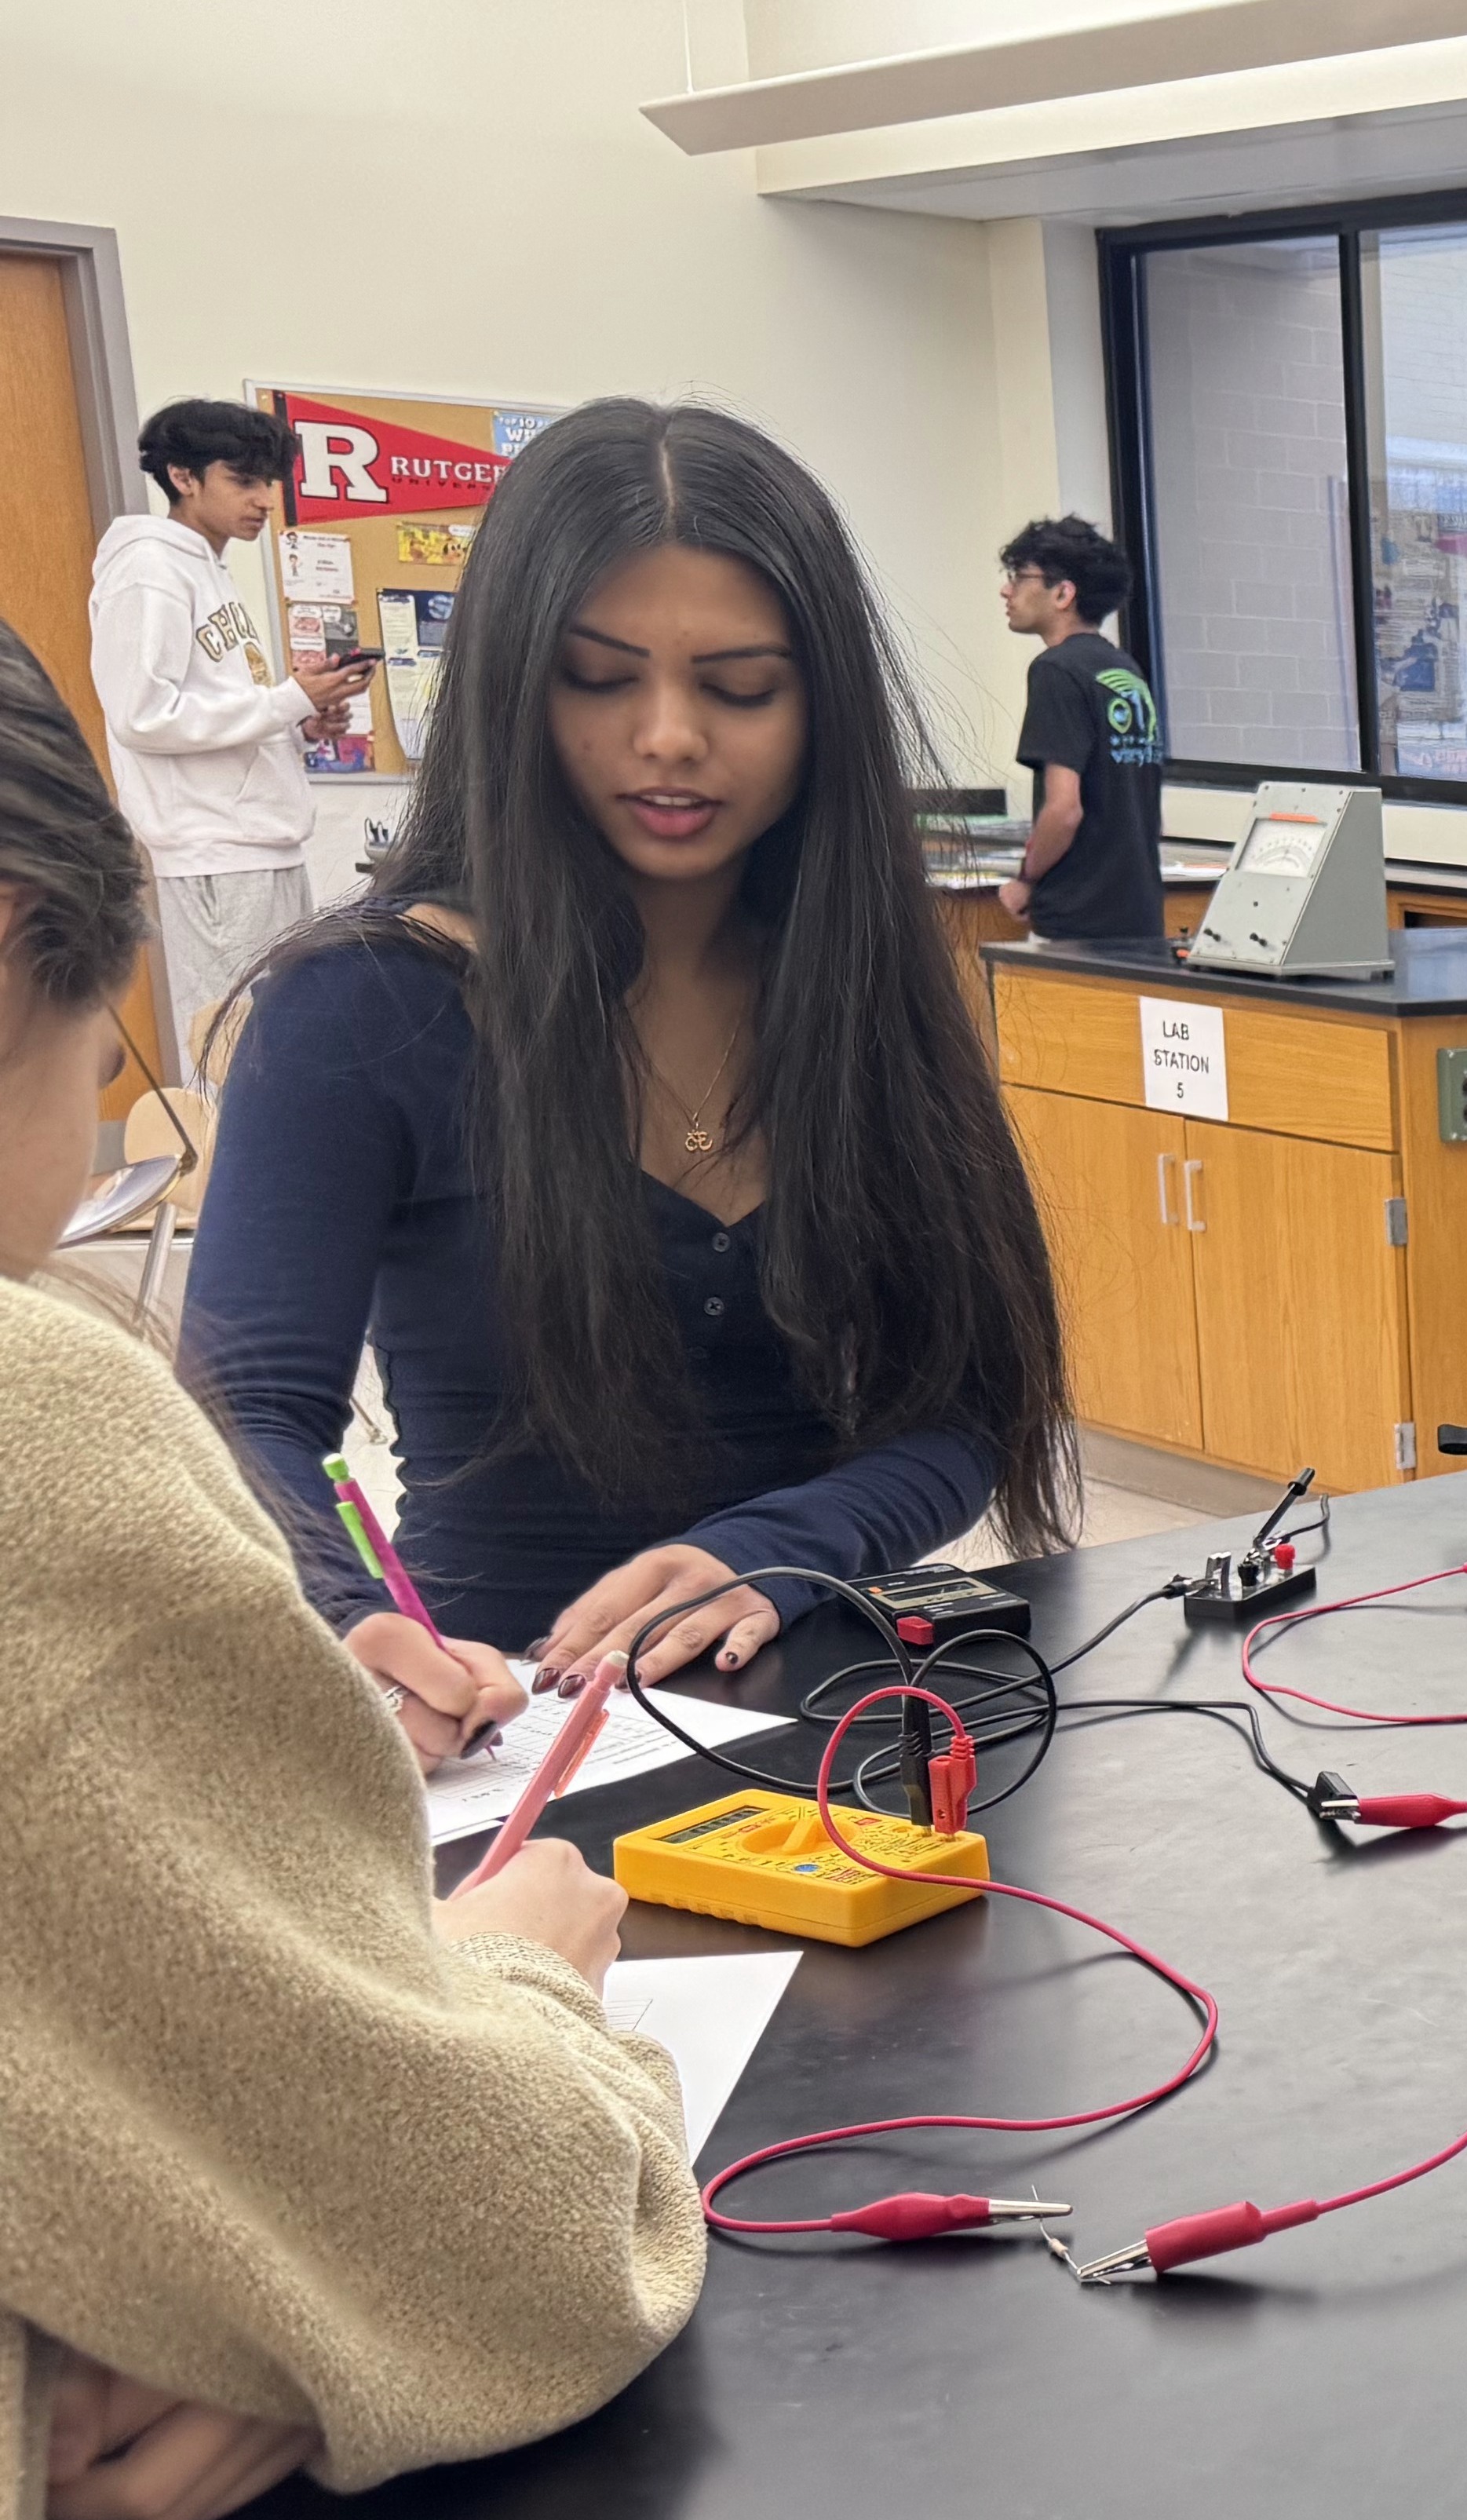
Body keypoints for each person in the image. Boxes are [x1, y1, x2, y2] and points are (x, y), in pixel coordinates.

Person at [0, 610, 701, 2520]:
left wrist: (198, 2299)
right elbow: (501, 2247)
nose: (669, 747)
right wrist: (517, 1982)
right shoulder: (47, 1416)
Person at [181, 400, 1075, 1764]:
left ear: (818, 705)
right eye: (601, 680)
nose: (668, 737)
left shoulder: (859, 990)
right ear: (511, 690)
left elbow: (962, 1406)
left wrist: (785, 1544)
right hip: (500, 1726)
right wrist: (349, 1617)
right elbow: (245, 1416)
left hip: (837, 1721)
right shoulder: (363, 1008)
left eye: (739, 686)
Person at [88, 399, 376, 1084]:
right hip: (213, 848)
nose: (265, 500)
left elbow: (217, 706)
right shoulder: (149, 569)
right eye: (243, 481)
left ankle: (269, 1181)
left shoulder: (207, 568)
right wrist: (286, 699)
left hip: (261, 839)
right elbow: (141, 715)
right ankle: (227, 1190)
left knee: (278, 1038)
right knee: (229, 1048)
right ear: (184, 477)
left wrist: (299, 719)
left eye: (270, 481)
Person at [996, 515, 1166, 944]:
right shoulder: (1125, 671)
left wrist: (1025, 880)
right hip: (1138, 917)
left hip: (1076, 922)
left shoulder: (1055, 670)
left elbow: (1064, 809)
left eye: (1019, 577)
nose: (1007, 590)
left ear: (1063, 593)